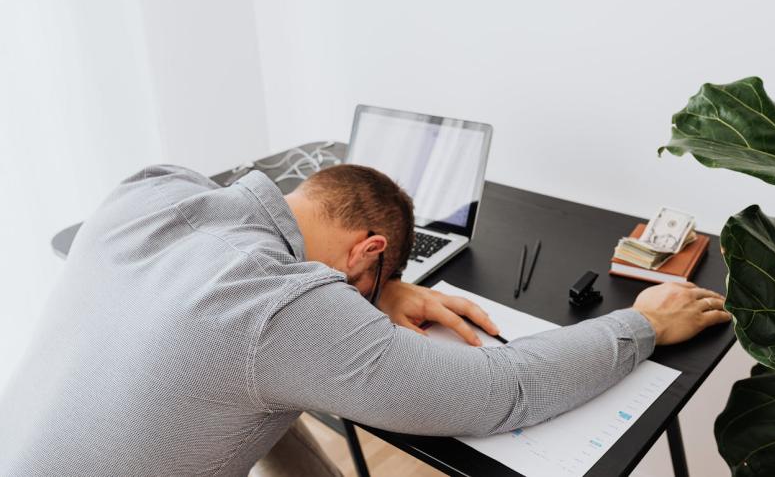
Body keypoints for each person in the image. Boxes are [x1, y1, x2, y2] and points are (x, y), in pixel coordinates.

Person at [0, 164, 731, 477]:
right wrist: (641, 323)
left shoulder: (151, 190)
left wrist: (374, 292)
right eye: (370, 278)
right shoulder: (276, 309)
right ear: (368, 251)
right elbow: (496, 391)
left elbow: (244, 324)